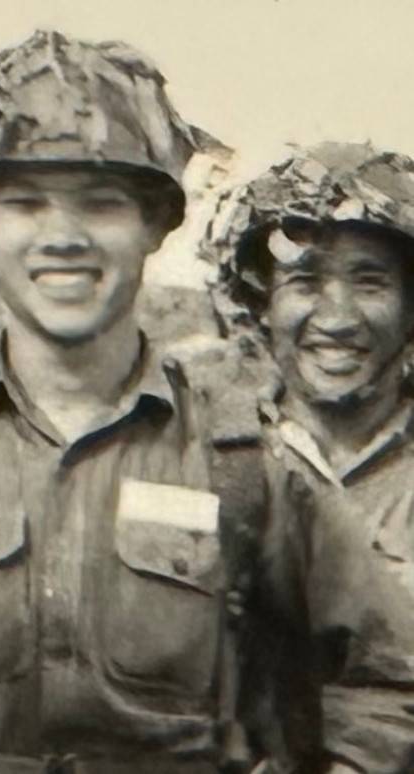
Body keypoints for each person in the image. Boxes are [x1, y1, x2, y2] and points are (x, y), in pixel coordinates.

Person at [0, 29, 266, 774]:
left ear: (154, 226)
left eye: (102, 205)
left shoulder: (241, 459)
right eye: (25, 203)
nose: (63, 237)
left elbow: (374, 678)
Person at [206, 142, 414, 774]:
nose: (338, 317)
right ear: (262, 301)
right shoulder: (202, 457)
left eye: (370, 282)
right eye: (304, 280)